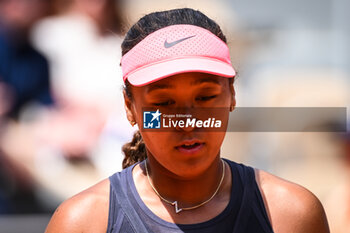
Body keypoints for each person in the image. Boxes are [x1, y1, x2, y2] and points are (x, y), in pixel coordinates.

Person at [45, 8, 330, 233]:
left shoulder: (291, 214)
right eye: (164, 103)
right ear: (130, 107)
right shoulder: (82, 222)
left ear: (231, 95)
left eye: (205, 98)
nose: (187, 122)